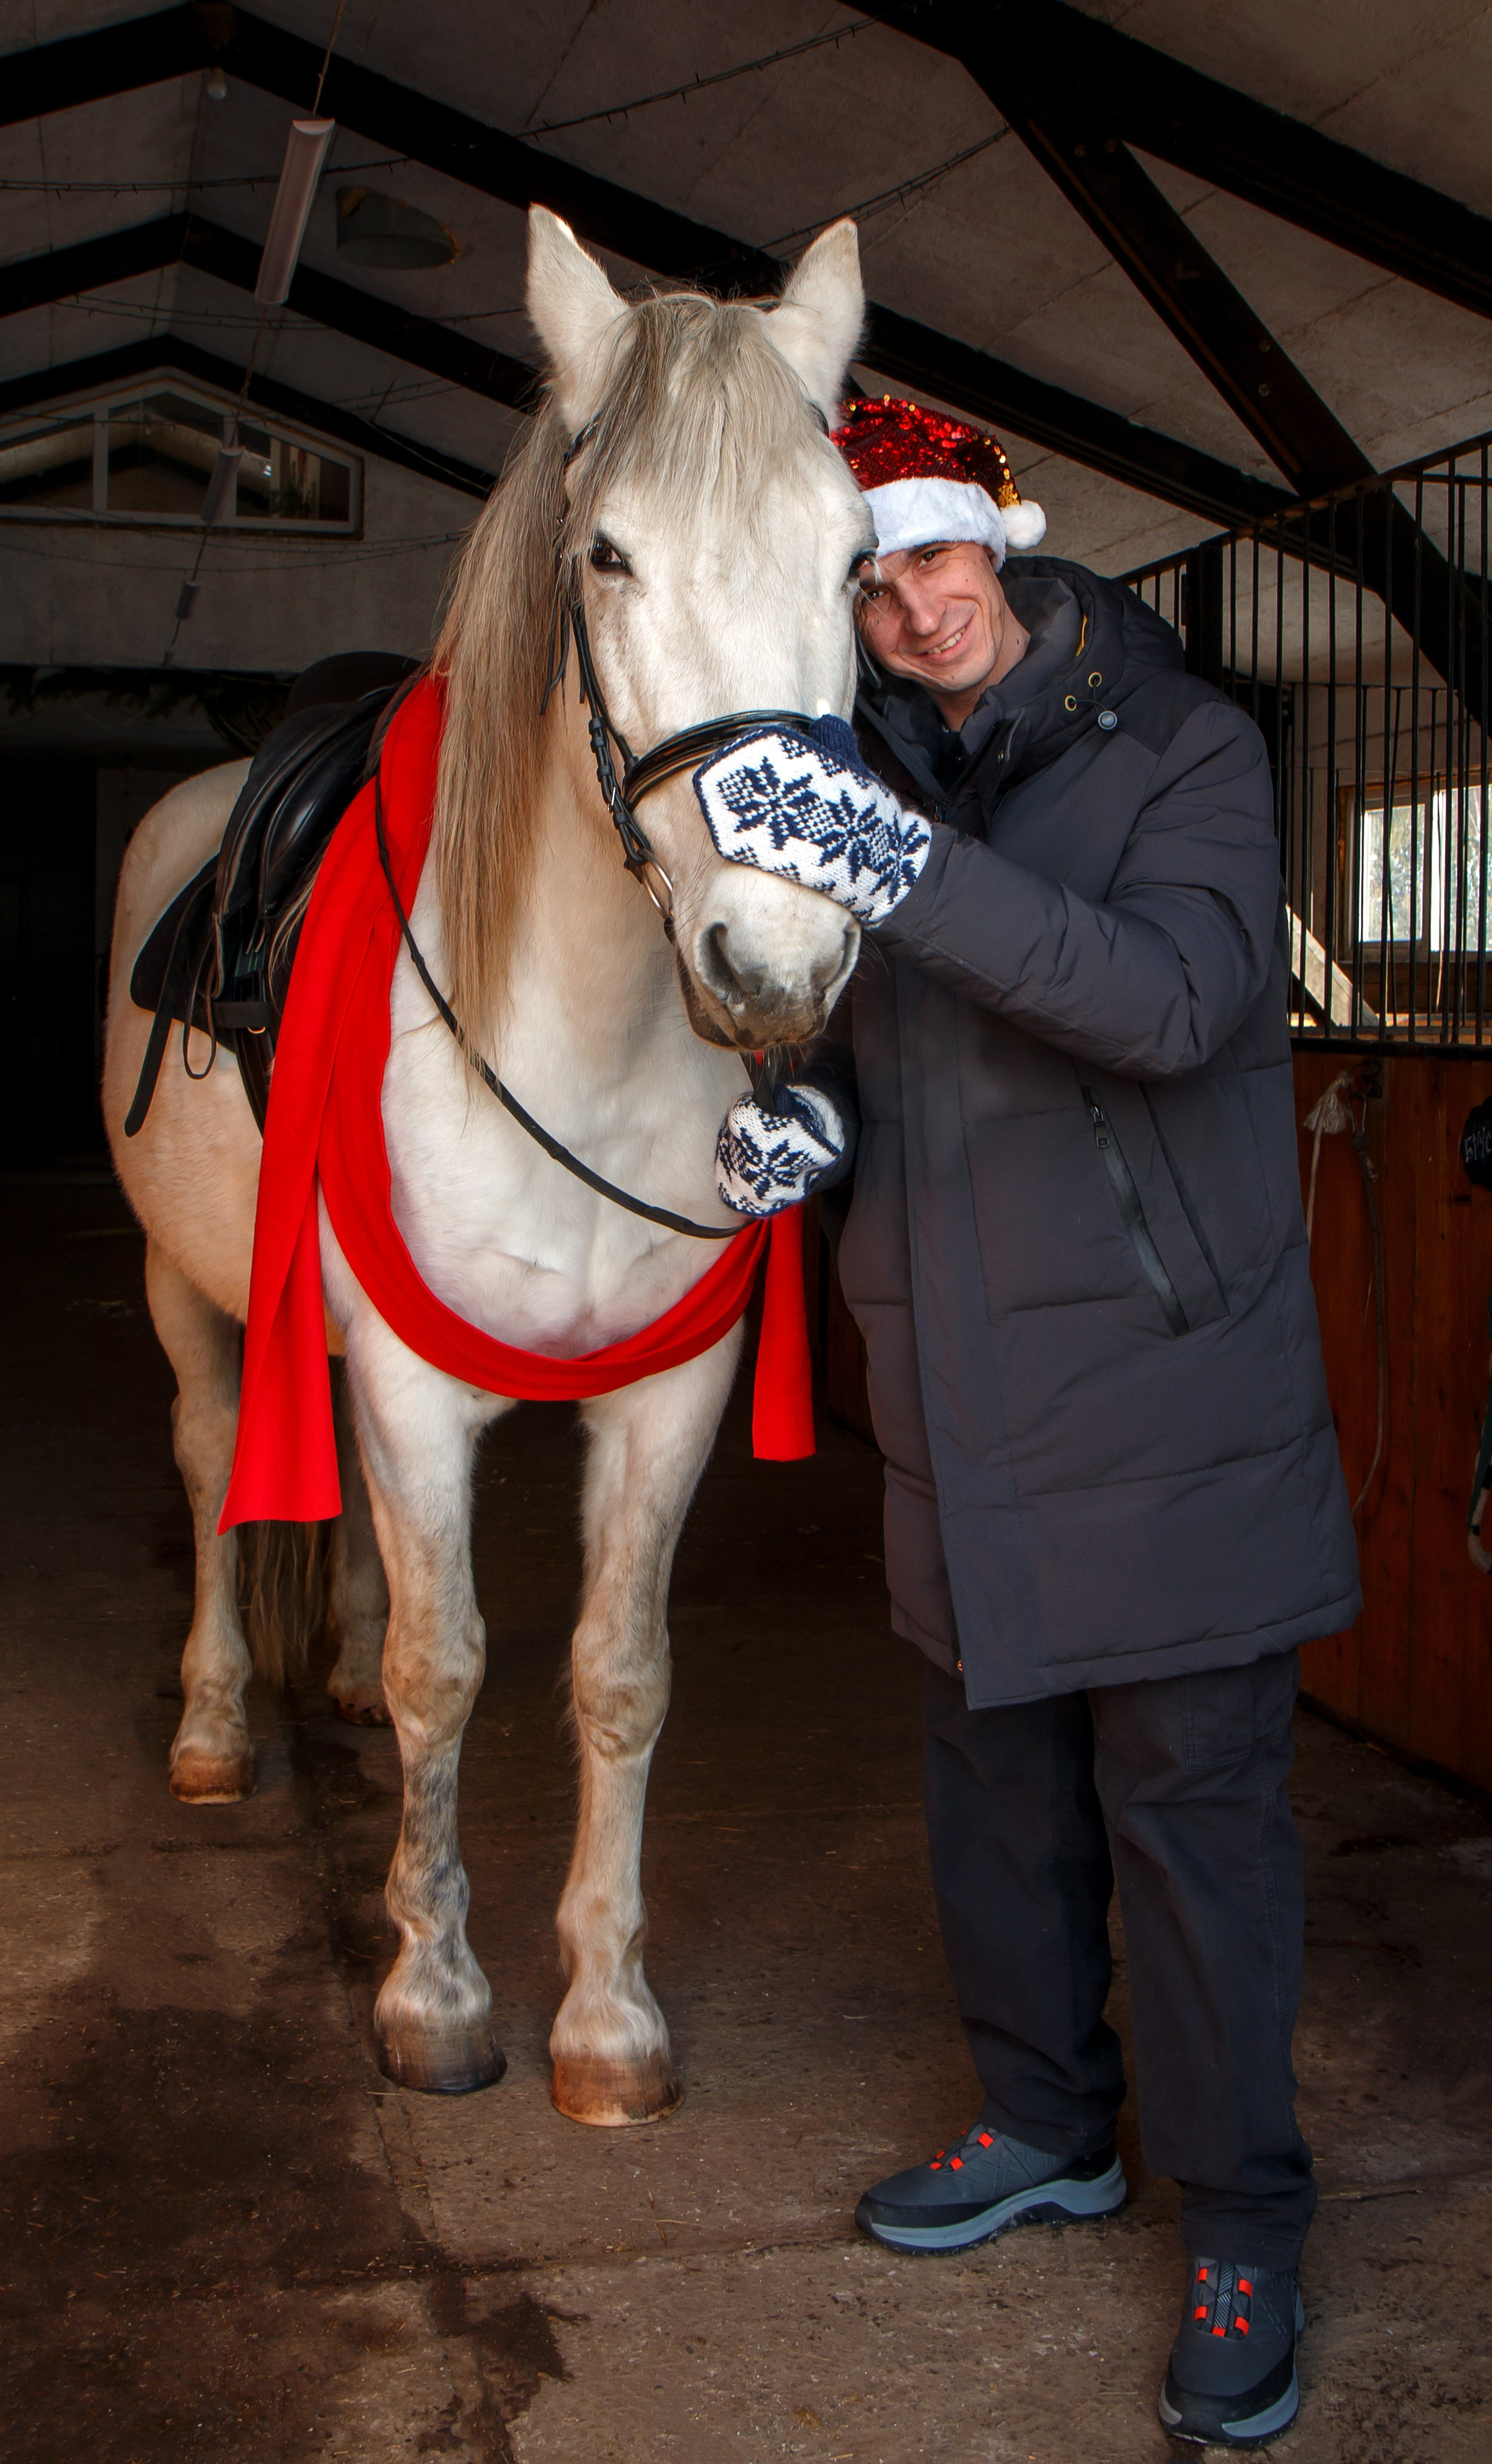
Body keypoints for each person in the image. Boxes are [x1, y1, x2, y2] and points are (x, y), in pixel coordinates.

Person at [694, 399, 1360, 2452]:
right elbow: (893, 1047)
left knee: (1195, 1832)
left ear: (1011, 544)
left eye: (937, 559)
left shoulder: (1189, 750)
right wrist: (812, 1123)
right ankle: (1050, 2122)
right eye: (871, 582)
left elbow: (1169, 1007)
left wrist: (900, 868)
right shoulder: (871, 771)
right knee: (998, 1809)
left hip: (1170, 1405)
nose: (910, 606)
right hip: (960, 1405)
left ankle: (1245, 2215)